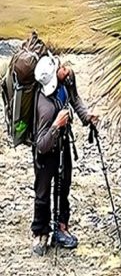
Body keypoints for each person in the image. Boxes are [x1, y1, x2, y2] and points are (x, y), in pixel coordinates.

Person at [30, 54, 99, 257]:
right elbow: (40, 145)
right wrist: (55, 126)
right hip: (46, 154)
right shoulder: (44, 107)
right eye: (59, 67)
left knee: (63, 186)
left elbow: (74, 98)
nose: (64, 67)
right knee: (42, 192)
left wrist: (86, 117)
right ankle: (40, 233)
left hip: (63, 146)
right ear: (52, 77)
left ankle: (61, 226)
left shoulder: (66, 80)